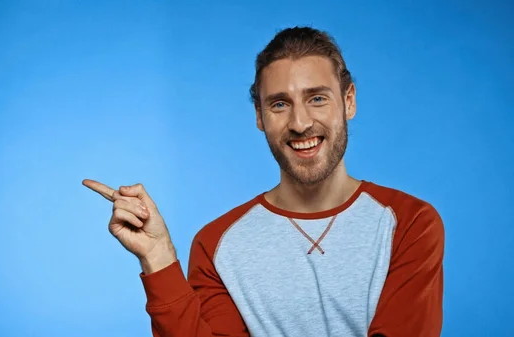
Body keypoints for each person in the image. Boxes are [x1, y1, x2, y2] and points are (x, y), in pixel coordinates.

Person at [83, 26, 444, 337]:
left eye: (317, 98)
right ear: (259, 115)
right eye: (279, 104)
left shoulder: (410, 223)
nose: (300, 123)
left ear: (348, 102)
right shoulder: (216, 244)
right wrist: (158, 256)